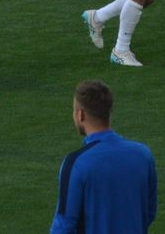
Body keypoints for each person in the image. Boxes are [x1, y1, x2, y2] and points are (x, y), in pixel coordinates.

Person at [50, 80, 157, 234]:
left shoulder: (76, 163)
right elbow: (149, 213)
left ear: (80, 115)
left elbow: (64, 225)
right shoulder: (143, 155)